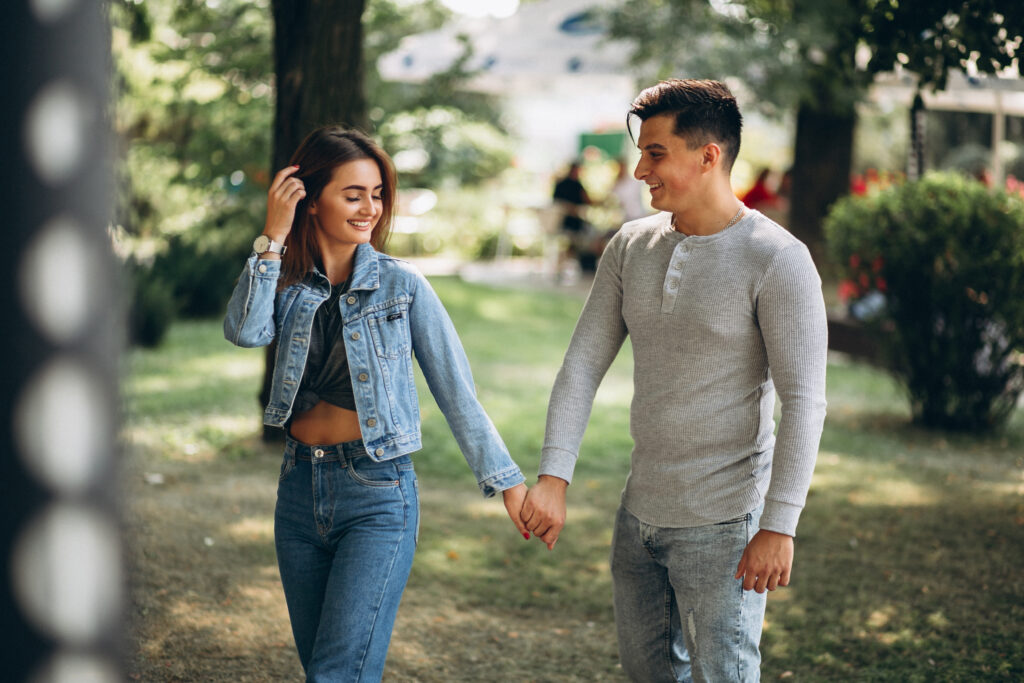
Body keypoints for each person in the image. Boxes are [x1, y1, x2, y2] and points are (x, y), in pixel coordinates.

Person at [521, 79, 828, 682]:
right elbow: (582, 364)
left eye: (656, 153)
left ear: (708, 155)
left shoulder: (778, 258)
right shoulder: (631, 246)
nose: (639, 170)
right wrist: (553, 477)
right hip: (638, 518)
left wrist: (779, 524)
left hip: (725, 528)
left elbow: (804, 401)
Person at [223, 126, 529, 682]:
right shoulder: (285, 283)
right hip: (297, 490)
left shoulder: (403, 286)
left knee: (338, 672)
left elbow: (456, 391)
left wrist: (508, 483)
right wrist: (271, 236)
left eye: (378, 193)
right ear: (310, 201)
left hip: (376, 494)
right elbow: (245, 332)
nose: (370, 207)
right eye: (353, 193)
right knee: (323, 667)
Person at [551, 160, 594, 275]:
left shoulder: (573, 184)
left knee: (576, 243)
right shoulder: (569, 184)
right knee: (575, 242)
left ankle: (566, 265)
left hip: (569, 223)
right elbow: (557, 204)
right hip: (568, 223)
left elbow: (587, 201)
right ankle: (564, 266)